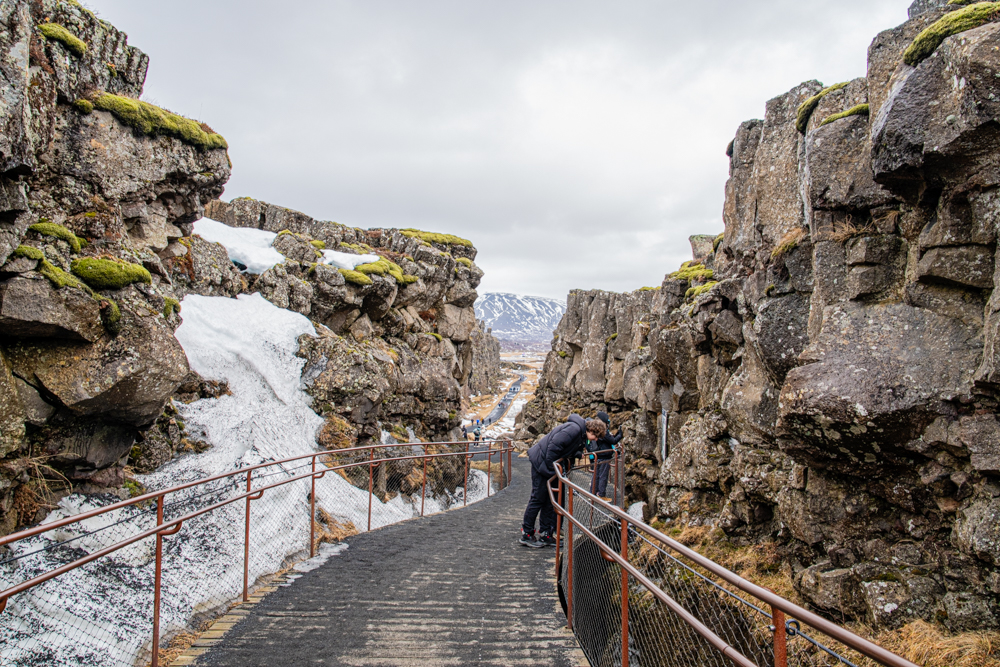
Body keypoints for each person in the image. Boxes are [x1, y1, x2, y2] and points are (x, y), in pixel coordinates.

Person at [520, 415, 606, 548]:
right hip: (541, 463)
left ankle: (546, 534)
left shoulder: (580, 433)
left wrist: (576, 454)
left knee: (550, 500)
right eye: (596, 437)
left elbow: (566, 447)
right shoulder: (574, 429)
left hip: (548, 465)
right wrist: (551, 470)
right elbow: (554, 446)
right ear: (593, 431)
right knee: (537, 498)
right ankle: (527, 533)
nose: (595, 440)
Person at [587, 411, 622, 499]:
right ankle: (601, 495)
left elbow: (611, 439)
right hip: (604, 457)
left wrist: (617, 434)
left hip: (598, 456)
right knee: (603, 476)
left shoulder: (597, 430)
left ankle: (593, 493)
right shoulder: (603, 431)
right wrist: (620, 435)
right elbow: (613, 441)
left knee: (596, 475)